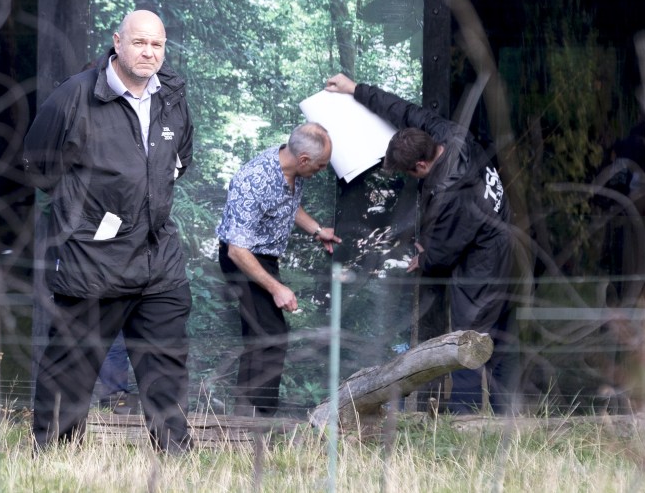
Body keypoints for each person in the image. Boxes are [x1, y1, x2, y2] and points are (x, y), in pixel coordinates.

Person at [23, 9, 194, 452]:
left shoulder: (171, 96)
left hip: (158, 255)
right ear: (117, 42)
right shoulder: (75, 96)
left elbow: (180, 159)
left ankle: (175, 457)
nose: (149, 53)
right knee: (72, 366)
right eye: (140, 43)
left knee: (165, 366)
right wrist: (87, 216)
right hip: (91, 258)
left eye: (157, 45)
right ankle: (55, 455)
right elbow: (40, 166)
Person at [325, 73, 514, 413]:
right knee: (501, 331)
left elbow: (439, 255)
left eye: (410, 174)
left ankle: (465, 417)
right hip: (501, 238)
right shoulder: (452, 135)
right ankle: (506, 415)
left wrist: (421, 259)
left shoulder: (449, 195)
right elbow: (407, 112)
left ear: (423, 164)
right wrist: (356, 90)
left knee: (468, 338)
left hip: (482, 263)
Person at [216, 123, 341, 417]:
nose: (322, 171)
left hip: (264, 258)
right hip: (242, 259)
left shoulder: (291, 171)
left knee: (262, 335)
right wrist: (277, 287)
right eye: (321, 166)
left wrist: (317, 230)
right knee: (271, 336)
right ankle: (261, 415)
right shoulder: (253, 179)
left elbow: (287, 206)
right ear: (304, 160)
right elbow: (236, 249)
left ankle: (245, 413)